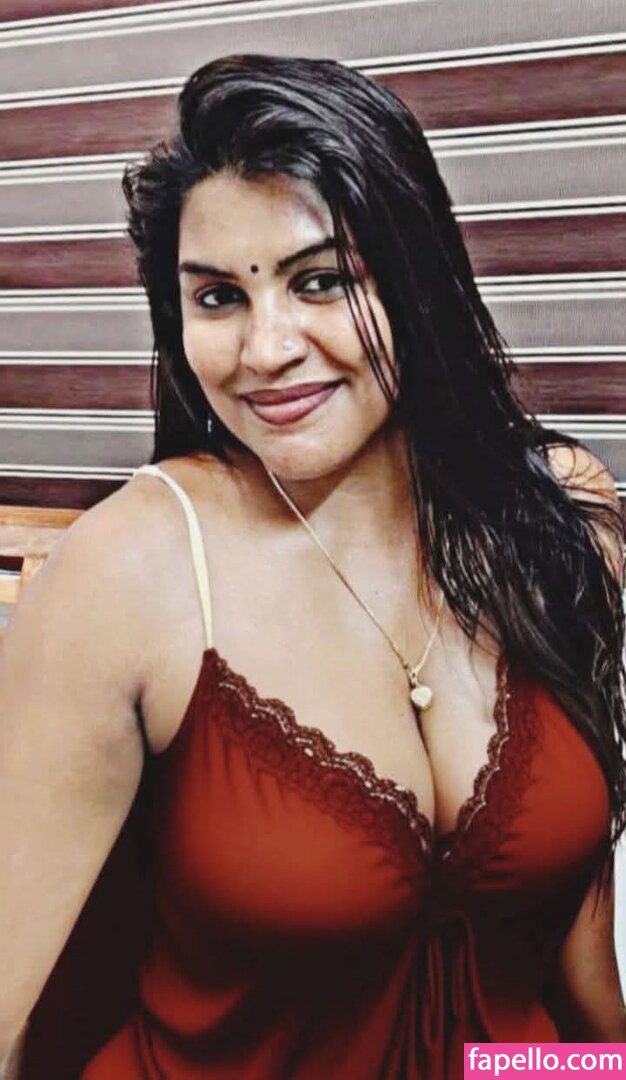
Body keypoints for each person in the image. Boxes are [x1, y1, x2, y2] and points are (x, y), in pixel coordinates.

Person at [1, 52, 626, 1080]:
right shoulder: (131, 570)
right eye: (218, 298)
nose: (266, 349)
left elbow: (570, 938)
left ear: (416, 275)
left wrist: (598, 1068)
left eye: (321, 280)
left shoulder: (563, 516)